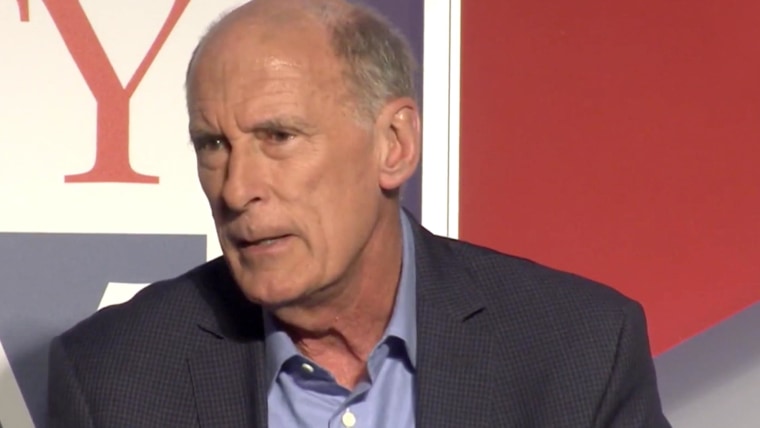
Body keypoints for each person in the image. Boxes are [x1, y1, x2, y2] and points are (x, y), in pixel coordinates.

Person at [47, 0, 671, 426]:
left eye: (278, 137)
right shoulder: (114, 376)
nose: (236, 189)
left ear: (393, 145)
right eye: (214, 145)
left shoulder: (577, 352)